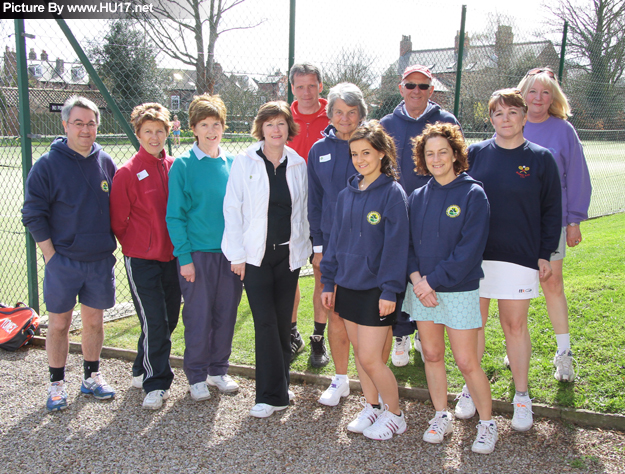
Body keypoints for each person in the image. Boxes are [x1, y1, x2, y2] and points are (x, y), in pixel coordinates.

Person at [467, 88, 562, 431]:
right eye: (497, 113)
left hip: (519, 257)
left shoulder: (541, 158)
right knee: (472, 326)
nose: (504, 119)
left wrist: (544, 253)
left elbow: (552, 210)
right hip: (475, 257)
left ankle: (522, 397)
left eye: (511, 112)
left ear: (523, 116)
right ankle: (471, 387)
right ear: (490, 118)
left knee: (514, 325)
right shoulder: (474, 154)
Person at [403, 123, 496, 454]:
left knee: (467, 360)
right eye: (430, 153)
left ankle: (487, 423)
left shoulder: (473, 194)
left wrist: (431, 282)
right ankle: (440, 414)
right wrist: (417, 281)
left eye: (443, 151)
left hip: (457, 290)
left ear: (456, 154)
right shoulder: (417, 197)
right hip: (422, 290)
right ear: (422, 159)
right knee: (431, 354)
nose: (436, 158)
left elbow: (468, 252)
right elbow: (408, 247)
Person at [22, 96, 117, 411]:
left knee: (93, 322)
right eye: (79, 123)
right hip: (63, 262)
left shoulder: (105, 162)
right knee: (59, 324)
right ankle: (56, 384)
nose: (86, 129)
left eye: (91, 123)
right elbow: (33, 214)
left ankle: (91, 377)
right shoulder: (47, 165)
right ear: (65, 125)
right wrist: (51, 256)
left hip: (99, 261)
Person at [320, 120, 409, 440]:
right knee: (361, 355)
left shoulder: (393, 194)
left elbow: (397, 248)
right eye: (355, 153)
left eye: (366, 152)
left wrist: (390, 290)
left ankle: (396, 414)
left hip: (377, 289)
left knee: (372, 357)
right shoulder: (346, 194)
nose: (360, 159)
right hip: (347, 285)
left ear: (382, 154)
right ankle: (372, 405)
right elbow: (335, 242)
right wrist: (329, 282)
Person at [222, 101, 311, 418]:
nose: (276, 129)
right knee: (265, 322)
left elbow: (302, 212)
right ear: (260, 128)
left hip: (288, 256)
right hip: (254, 257)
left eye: (282, 123)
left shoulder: (298, 163)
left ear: (289, 128)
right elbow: (232, 209)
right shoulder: (245, 161)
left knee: (283, 322)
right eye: (270, 123)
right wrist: (237, 254)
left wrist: (305, 249)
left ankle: (281, 387)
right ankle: (268, 395)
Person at [308, 83, 389, 405]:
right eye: (339, 112)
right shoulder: (319, 150)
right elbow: (314, 202)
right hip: (332, 248)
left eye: (351, 112)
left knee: (373, 318)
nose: (345, 118)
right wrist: (318, 246)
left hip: (370, 247)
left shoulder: (374, 146)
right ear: (330, 115)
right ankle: (340, 379)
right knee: (336, 313)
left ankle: (376, 384)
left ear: (361, 115)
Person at [381, 64, 462, 367]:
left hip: (434, 211)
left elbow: (459, 166)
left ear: (432, 90)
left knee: (429, 268)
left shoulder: (445, 121)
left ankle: (422, 328)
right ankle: (401, 331)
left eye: (423, 86)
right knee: (400, 271)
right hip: (397, 213)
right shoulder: (387, 122)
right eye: (410, 85)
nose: (417, 91)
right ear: (401, 88)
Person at [166, 94, 243, 402]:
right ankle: (196, 375)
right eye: (204, 124)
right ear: (193, 129)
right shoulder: (183, 165)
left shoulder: (234, 164)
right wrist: (184, 258)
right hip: (197, 255)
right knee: (198, 317)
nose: (212, 130)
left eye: (217, 124)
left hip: (230, 257)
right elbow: (175, 216)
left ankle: (218, 370)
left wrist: (241, 254)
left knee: (226, 314)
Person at [517, 67, 592, 382]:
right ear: (523, 95)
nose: (538, 98)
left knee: (552, 284)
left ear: (553, 98)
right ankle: (515, 344)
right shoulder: (511, 124)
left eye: (545, 92)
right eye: (532, 91)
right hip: (517, 224)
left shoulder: (563, 130)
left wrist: (574, 219)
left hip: (552, 223)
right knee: (517, 289)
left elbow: (577, 177)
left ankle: (564, 354)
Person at [110, 103, 181, 410]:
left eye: (160, 131)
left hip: (173, 258)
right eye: (148, 131)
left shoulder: (175, 166)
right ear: (138, 133)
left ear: (168, 132)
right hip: (141, 259)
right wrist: (140, 245)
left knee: (169, 319)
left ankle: (141, 367)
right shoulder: (126, 172)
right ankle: (157, 383)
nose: (154, 137)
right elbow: (118, 221)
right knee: (155, 320)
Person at [288, 63, 330, 365]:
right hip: (288, 210)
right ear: (292, 88)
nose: (306, 92)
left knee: (321, 273)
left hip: (323, 209)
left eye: (311, 85)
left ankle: (318, 339)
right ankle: (292, 335)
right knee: (289, 275)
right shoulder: (281, 118)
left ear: (320, 86)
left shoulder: (335, 116)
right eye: (300, 86)